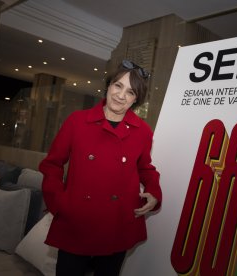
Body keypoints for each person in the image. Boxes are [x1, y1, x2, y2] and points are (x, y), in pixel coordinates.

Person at [39, 60, 162, 276]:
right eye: (118, 86)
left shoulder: (142, 131)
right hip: (76, 221)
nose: (121, 95)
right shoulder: (77, 121)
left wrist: (153, 191)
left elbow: (145, 168)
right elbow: (52, 165)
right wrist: (58, 202)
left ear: (136, 99)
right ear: (108, 85)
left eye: (130, 92)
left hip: (118, 222)